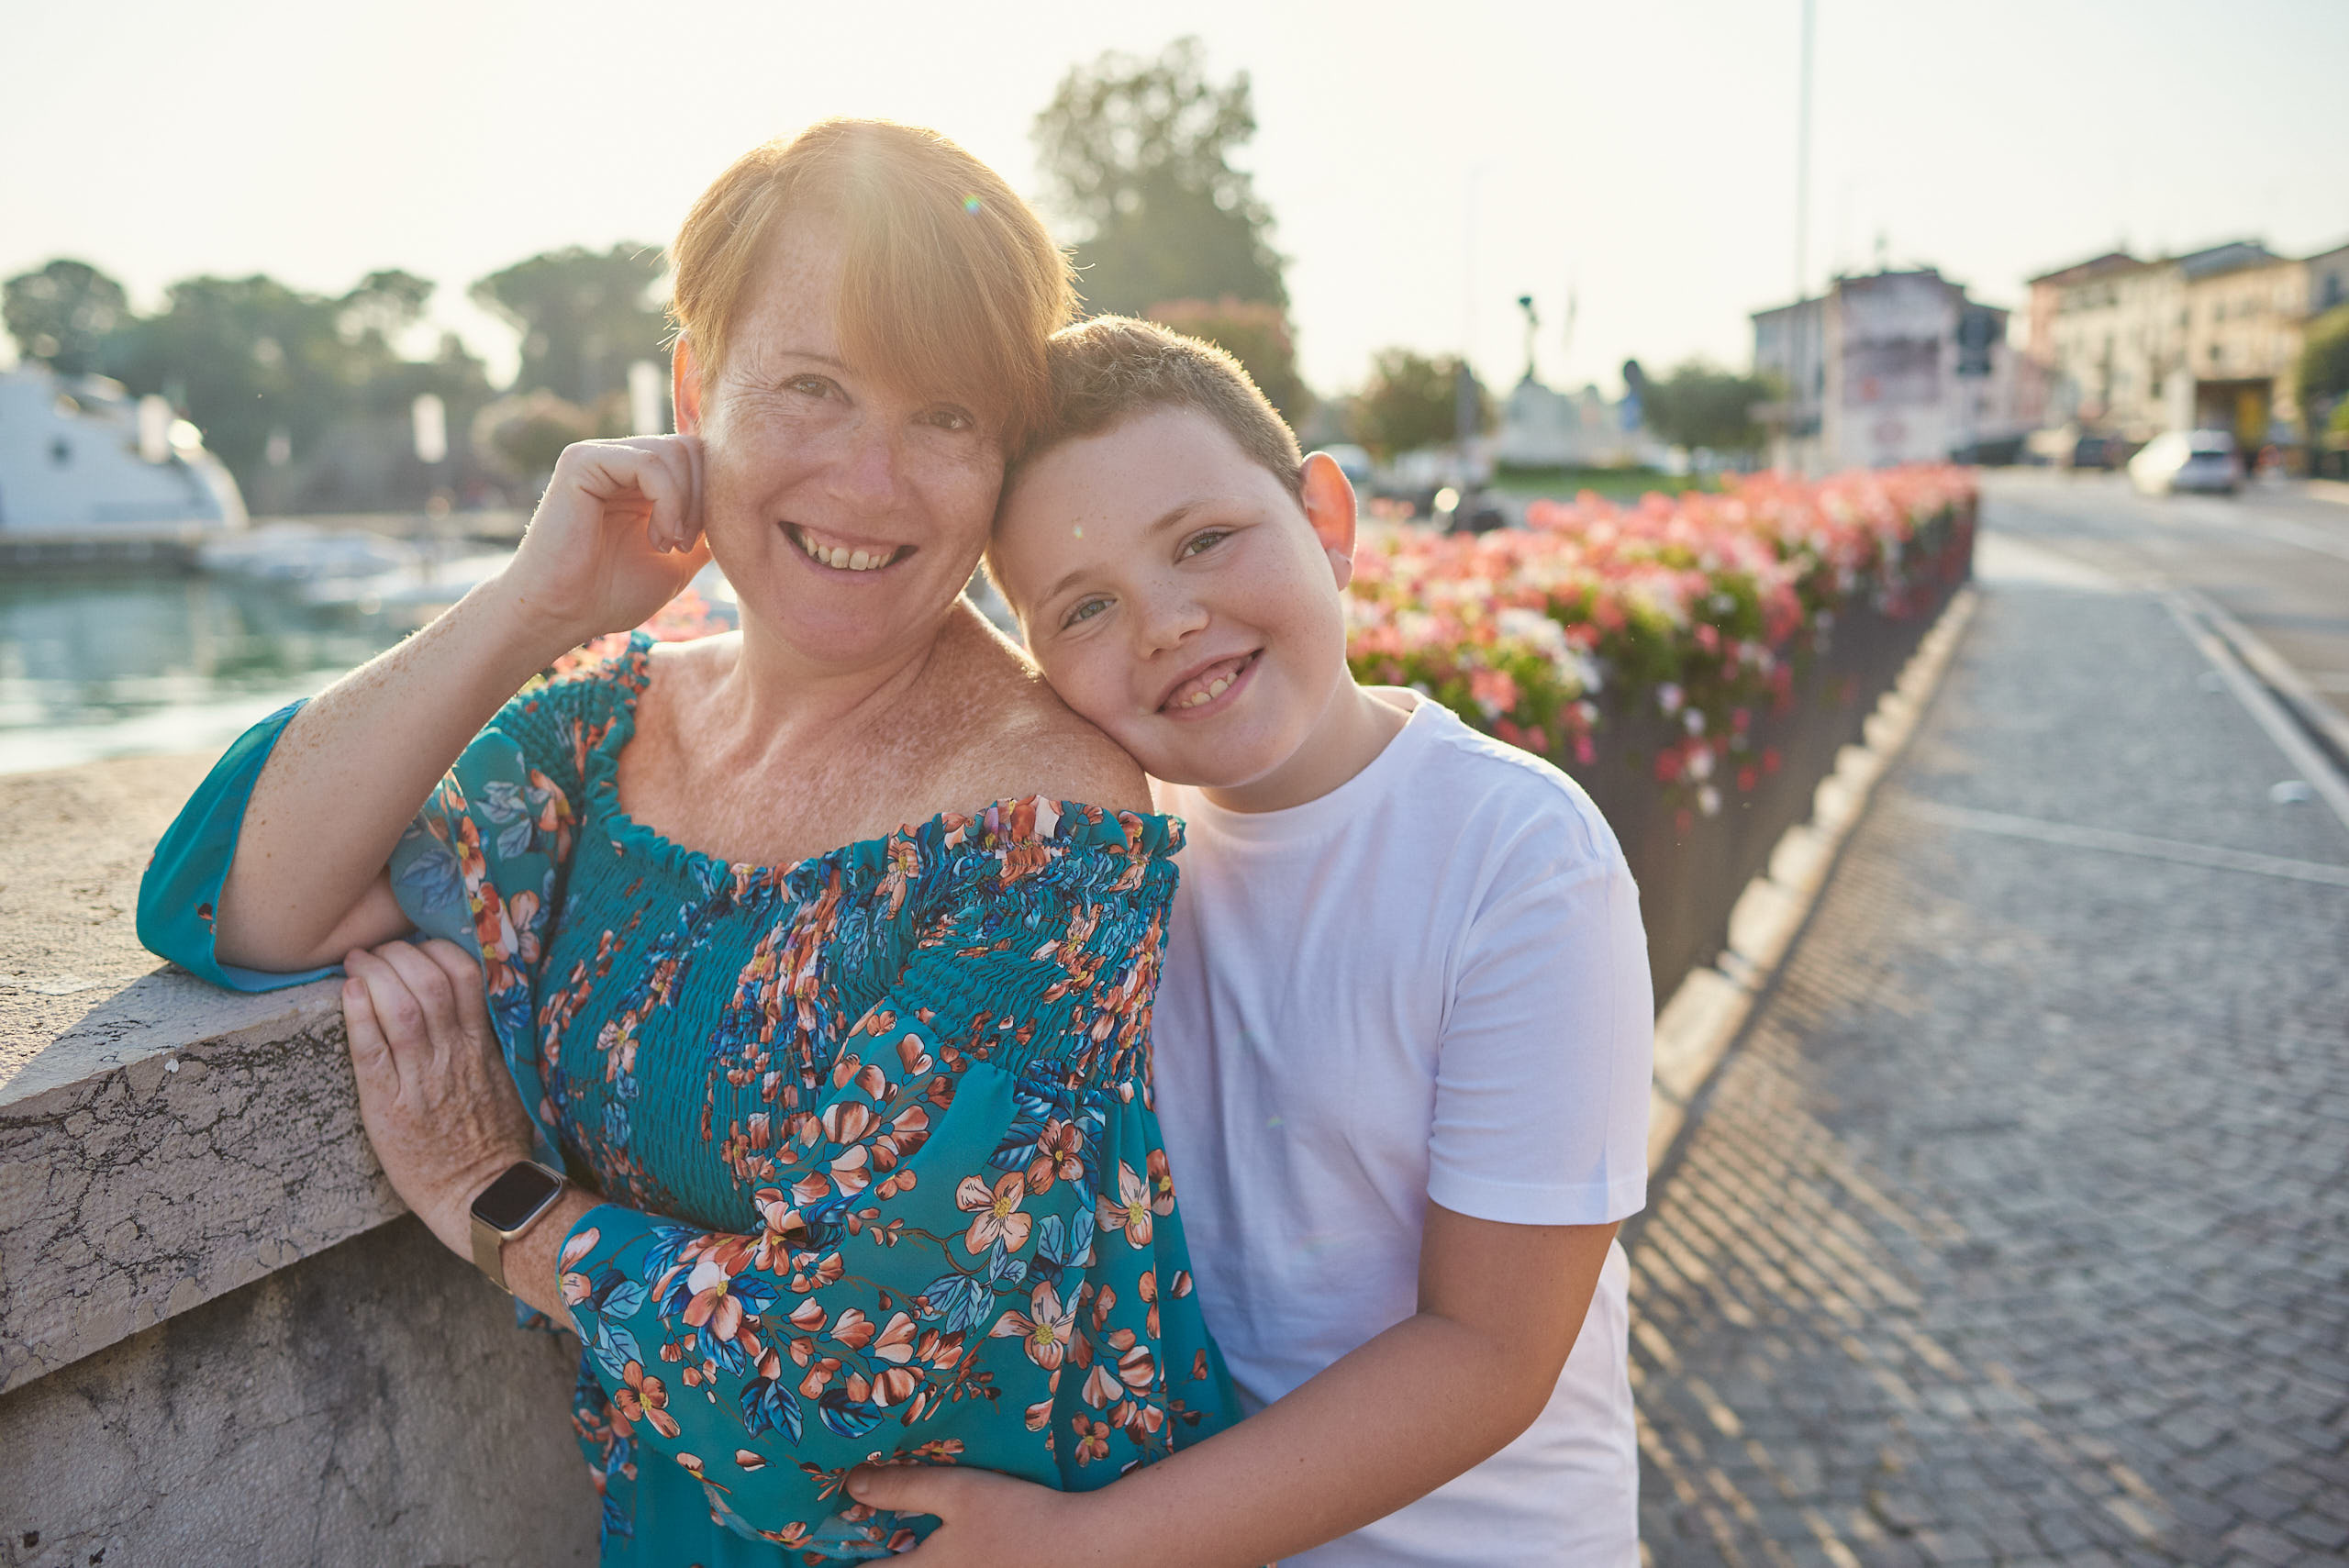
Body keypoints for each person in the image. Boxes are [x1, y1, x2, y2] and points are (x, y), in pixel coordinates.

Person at [135, 127, 1241, 1562]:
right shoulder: (605, 727)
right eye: (811, 388)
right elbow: (236, 901)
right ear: (692, 391)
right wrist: (535, 600)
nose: (871, 479)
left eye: (949, 416)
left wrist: (495, 1197)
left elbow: (848, 1376)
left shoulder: (1050, 817)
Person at [846, 317, 1653, 1564]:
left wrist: (1083, 1545)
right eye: (1086, 606)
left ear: (1327, 519)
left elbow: (1491, 1354)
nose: (1166, 621)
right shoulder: (1100, 859)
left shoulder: (1518, 854)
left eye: (1205, 540)